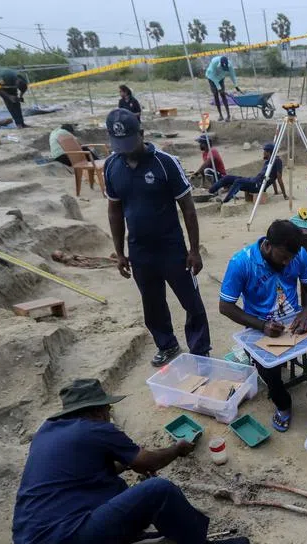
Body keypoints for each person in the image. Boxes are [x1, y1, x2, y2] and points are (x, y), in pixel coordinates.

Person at [12, 379, 250, 544]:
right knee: (158, 489)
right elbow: (147, 463)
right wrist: (175, 450)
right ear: (97, 411)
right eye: (107, 410)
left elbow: (88, 473)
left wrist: (128, 463)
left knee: (116, 487)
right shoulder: (95, 429)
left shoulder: (48, 430)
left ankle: (131, 539)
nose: (109, 415)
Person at [103, 108, 211, 367]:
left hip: (172, 248)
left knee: (190, 300)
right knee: (152, 303)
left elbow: (187, 208)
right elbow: (114, 212)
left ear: (141, 134)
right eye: (120, 145)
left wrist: (193, 250)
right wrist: (119, 253)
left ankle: (200, 349)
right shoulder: (111, 166)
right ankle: (167, 344)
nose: (126, 150)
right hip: (139, 250)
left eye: (130, 142)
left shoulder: (165, 162)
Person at [219, 220, 307, 432]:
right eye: (283, 257)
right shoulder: (241, 262)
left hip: (295, 319)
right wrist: (262, 325)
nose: (287, 263)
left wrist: (305, 313)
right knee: (268, 365)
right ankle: (283, 403)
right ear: (267, 246)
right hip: (260, 325)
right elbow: (225, 306)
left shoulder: (298, 255)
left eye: (291, 258)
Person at [205, 143, 283, 204]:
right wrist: (275, 192)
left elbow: (278, 178)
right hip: (253, 180)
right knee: (227, 178)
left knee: (238, 181)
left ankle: (225, 201)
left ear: (268, 152)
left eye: (264, 151)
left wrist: (285, 195)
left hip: (258, 185)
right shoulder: (268, 162)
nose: (263, 153)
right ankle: (209, 192)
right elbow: (271, 177)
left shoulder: (277, 161)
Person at [205, 55, 241, 122]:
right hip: (211, 77)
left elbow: (232, 75)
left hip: (221, 78)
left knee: (223, 95)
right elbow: (213, 77)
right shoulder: (214, 63)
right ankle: (220, 115)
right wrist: (219, 88)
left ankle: (228, 115)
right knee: (216, 94)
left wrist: (236, 86)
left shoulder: (229, 65)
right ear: (220, 65)